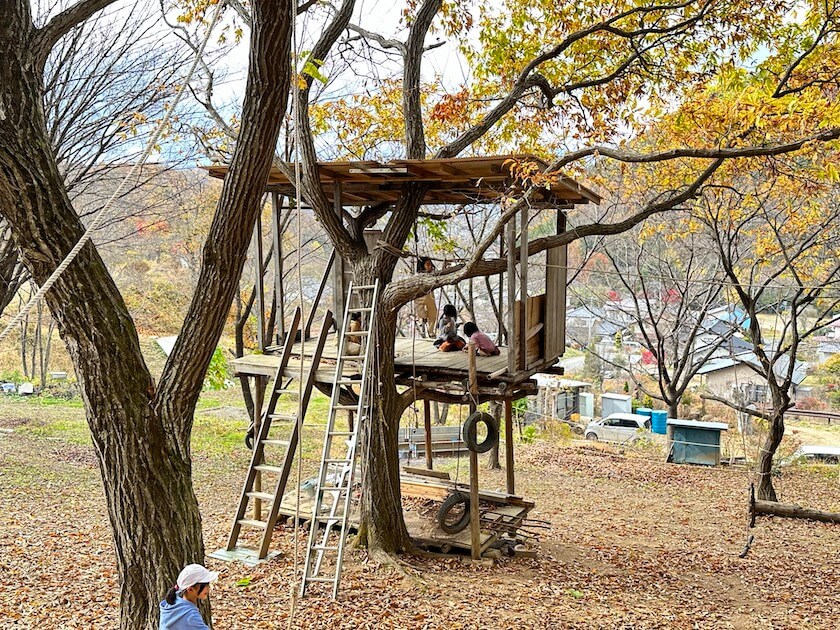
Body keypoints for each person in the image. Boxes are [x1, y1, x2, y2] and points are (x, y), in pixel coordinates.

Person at [160, 564, 219, 630]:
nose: (208, 588)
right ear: (190, 589)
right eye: (205, 585)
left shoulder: (173, 603)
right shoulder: (191, 616)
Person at [413, 257, 438, 337]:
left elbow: (440, 274)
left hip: (430, 295)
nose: (430, 266)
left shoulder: (432, 274)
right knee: (420, 313)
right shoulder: (417, 276)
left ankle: (431, 331)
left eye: (430, 264)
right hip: (420, 297)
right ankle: (423, 318)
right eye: (428, 265)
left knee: (433, 313)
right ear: (422, 266)